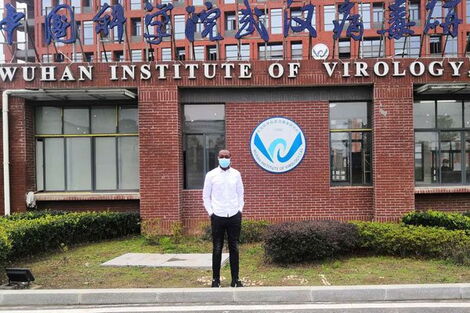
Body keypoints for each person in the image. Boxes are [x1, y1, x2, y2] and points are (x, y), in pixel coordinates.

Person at [202, 149, 244, 288]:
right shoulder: (211, 175)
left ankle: (235, 280)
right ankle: (215, 280)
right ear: (218, 158)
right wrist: (211, 212)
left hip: (233, 215)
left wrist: (239, 210)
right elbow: (206, 196)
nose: (224, 158)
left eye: (227, 157)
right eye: (222, 157)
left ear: (231, 158)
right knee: (217, 248)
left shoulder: (236, 174)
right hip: (218, 216)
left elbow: (240, 194)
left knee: (235, 248)